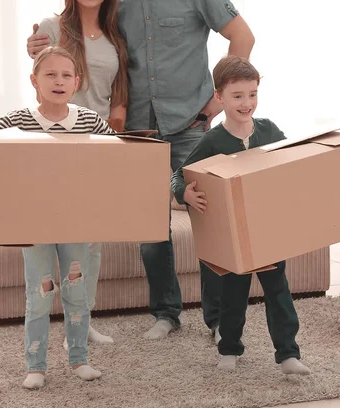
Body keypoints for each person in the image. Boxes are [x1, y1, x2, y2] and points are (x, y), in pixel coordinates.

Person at [27, 0, 255, 340]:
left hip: (190, 123)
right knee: (151, 229)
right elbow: (84, 36)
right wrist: (38, 43)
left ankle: (220, 319)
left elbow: (243, 37)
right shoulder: (115, 4)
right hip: (138, 129)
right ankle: (167, 313)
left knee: (211, 221)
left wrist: (215, 103)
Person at [0, 46, 114, 389]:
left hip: (77, 223)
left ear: (76, 81)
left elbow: (121, 155)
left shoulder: (89, 120)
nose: (58, 81)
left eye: (66, 75)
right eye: (50, 74)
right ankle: (36, 366)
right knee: (40, 294)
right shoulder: (18, 120)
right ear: (34, 80)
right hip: (34, 226)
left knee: (76, 293)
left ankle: (79, 359)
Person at [171, 55, 312, 375]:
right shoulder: (212, 140)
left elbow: (291, 164)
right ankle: (229, 349)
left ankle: (288, 354)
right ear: (219, 97)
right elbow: (178, 176)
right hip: (234, 232)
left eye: (252, 94)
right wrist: (186, 194)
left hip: (268, 228)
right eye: (237, 96)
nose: (246, 103)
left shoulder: (269, 130)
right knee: (233, 294)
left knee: (278, 291)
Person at [31, 0, 130, 349]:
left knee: (91, 242)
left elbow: (118, 93)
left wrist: (113, 138)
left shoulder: (115, 35)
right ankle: (40, 320)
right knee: (49, 236)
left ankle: (82, 321)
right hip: (55, 145)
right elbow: (41, 71)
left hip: (96, 144)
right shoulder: (52, 27)